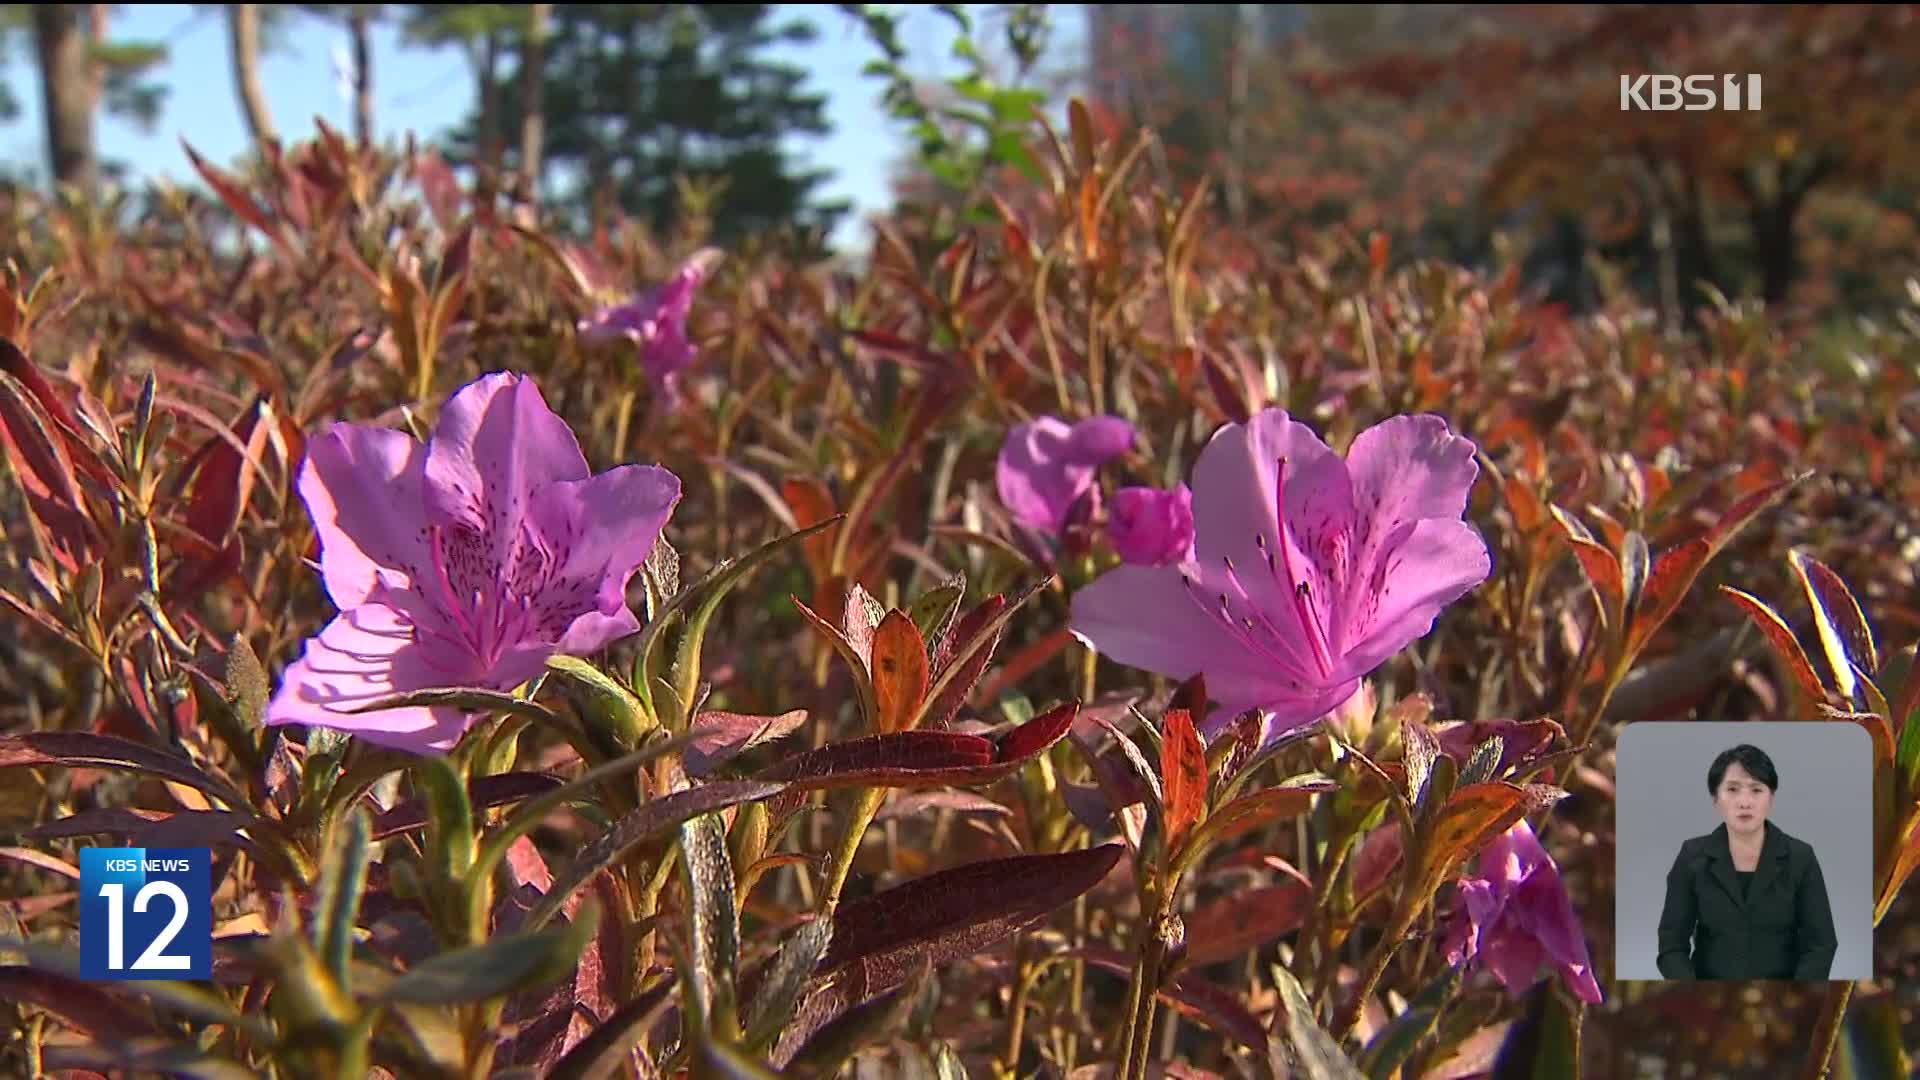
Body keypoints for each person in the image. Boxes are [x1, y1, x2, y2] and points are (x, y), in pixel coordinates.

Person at [1655, 744, 1839, 980]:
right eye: (1732, 789)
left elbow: (1822, 944)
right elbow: (1671, 947)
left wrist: (1795, 991)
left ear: (1771, 797)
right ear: (1715, 798)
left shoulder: (1800, 857)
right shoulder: (1692, 856)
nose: (1745, 802)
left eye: (1756, 790)